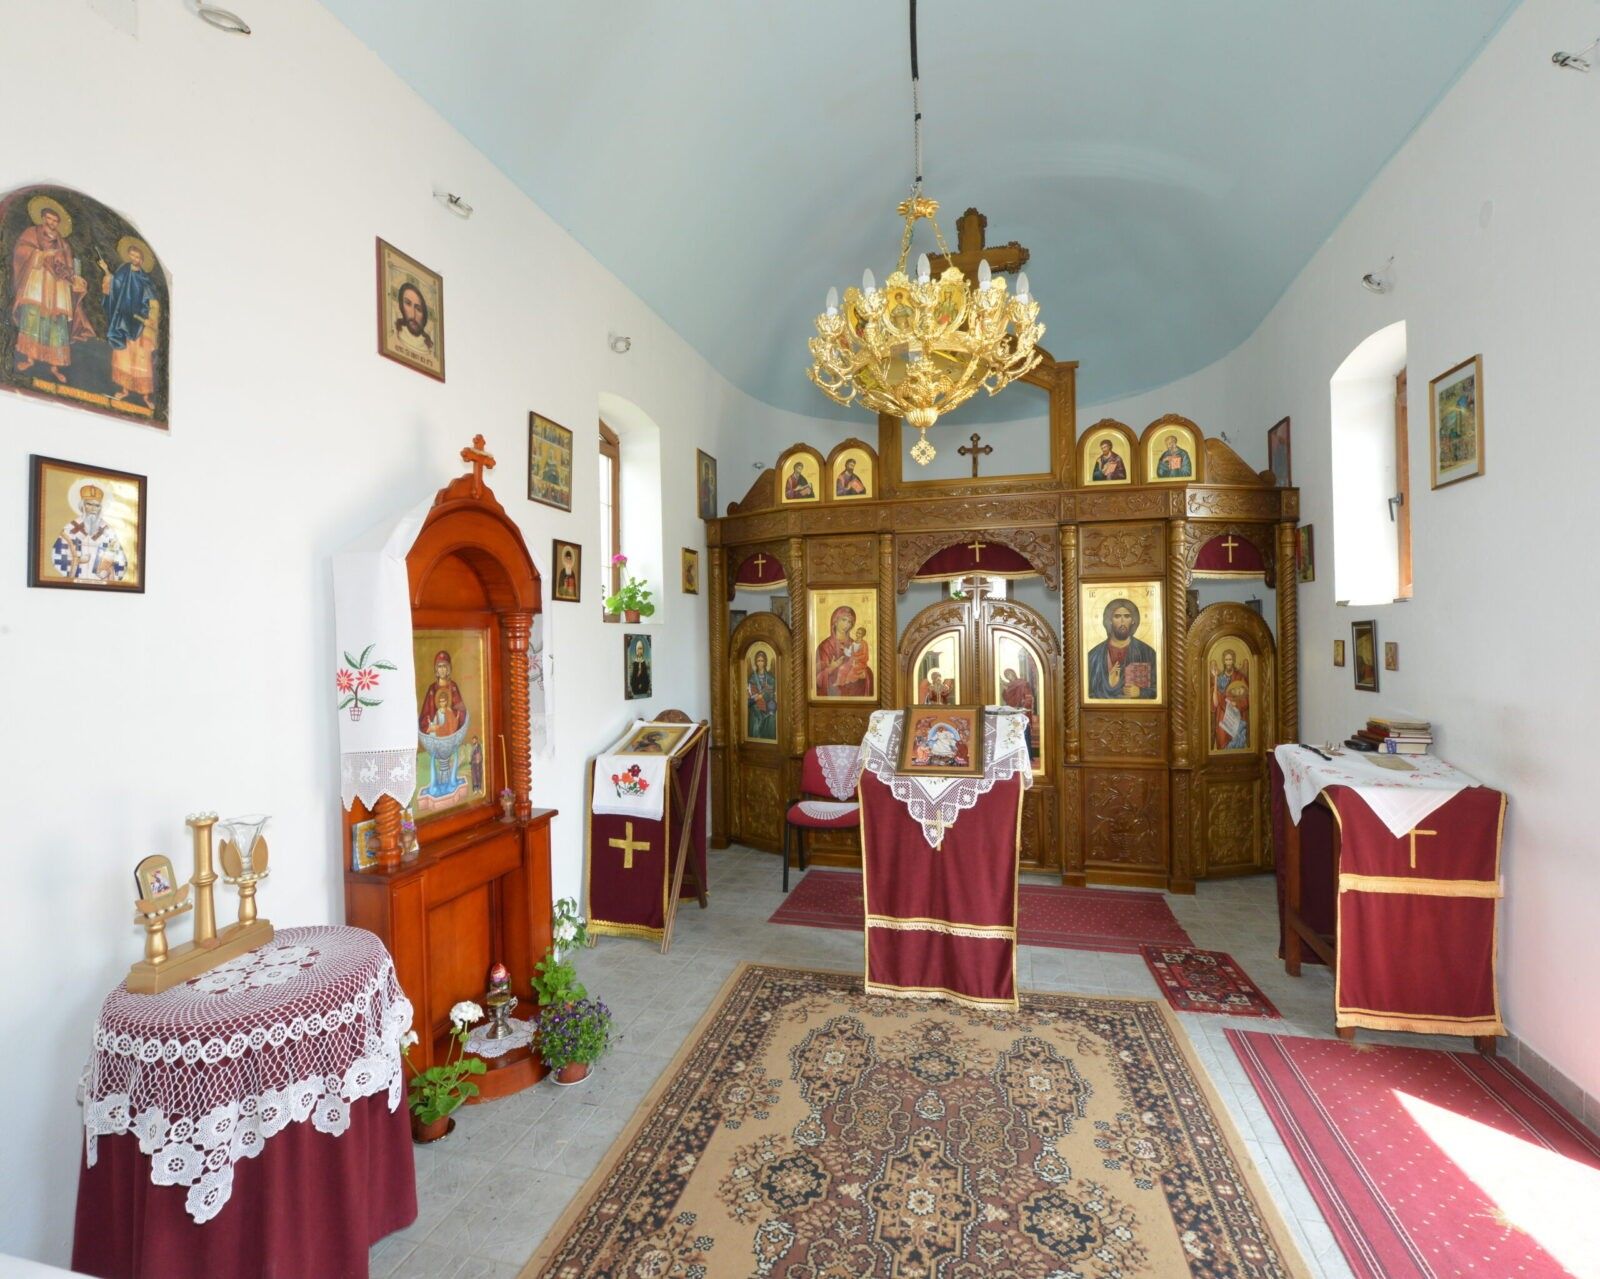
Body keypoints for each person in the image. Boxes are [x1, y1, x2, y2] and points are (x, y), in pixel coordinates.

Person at [11, 198, 92, 381]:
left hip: (58, 286)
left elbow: (68, 268)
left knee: (57, 323)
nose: (52, 223)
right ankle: (29, 358)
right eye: (49, 218)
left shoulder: (64, 244)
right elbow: (21, 251)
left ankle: (55, 366)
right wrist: (40, 255)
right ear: (42, 218)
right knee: (33, 316)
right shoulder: (32, 233)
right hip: (38, 281)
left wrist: (75, 278)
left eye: (55, 221)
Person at [99, 238, 160, 408]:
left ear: (142, 260)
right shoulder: (123, 271)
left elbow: (153, 302)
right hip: (124, 320)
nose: (134, 259)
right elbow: (115, 287)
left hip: (139, 323)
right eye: (132, 255)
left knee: (142, 358)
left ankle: (146, 395)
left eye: (137, 257)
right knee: (124, 356)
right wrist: (106, 272)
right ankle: (125, 389)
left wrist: (151, 318)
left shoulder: (144, 279)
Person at [50, 481, 129, 583]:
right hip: (77, 581)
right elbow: (57, 556)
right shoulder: (70, 529)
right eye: (89, 504)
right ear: (82, 505)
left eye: (97, 505)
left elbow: (120, 560)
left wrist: (107, 570)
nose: (93, 509)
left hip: (100, 582)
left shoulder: (107, 531)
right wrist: (77, 560)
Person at [1087, 598, 1158, 699]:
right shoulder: (1094, 656)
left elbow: (1159, 689)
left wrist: (1140, 692)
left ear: (1133, 620)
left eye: (1127, 616)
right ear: (1109, 620)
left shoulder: (1147, 652)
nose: (1122, 621)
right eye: (1117, 616)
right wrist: (1108, 685)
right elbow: (1087, 694)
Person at [814, 605, 873, 697]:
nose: (846, 625)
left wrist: (864, 673)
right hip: (833, 695)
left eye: (850, 622)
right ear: (835, 621)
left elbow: (863, 664)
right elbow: (816, 678)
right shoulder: (825, 646)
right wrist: (831, 668)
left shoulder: (855, 644)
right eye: (844, 620)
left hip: (855, 695)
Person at [1000, 665, 1041, 764]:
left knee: (1025, 733)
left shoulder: (1022, 683)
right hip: (1012, 713)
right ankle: (1014, 757)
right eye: (1007, 676)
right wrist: (1005, 690)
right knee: (1012, 734)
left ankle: (1028, 756)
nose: (1009, 677)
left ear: (1013, 673)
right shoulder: (1009, 686)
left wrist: (1023, 706)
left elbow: (1029, 697)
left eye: (1009, 674)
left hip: (1023, 713)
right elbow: (1007, 698)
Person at [419, 650, 467, 733]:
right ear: (436, 669)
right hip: (435, 728)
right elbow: (425, 714)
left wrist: (451, 716)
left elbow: (461, 710)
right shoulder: (432, 689)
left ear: (448, 669)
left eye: (444, 666)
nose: (442, 669)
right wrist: (432, 726)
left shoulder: (453, 687)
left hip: (451, 728)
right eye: (439, 666)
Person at [1210, 650, 1249, 749]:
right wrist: (1215, 679)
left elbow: (1246, 698)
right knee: (1222, 739)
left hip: (1236, 715)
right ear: (1224, 661)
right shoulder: (1219, 677)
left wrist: (1236, 704)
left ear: (1233, 661)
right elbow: (1215, 702)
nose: (1228, 662)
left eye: (1230, 660)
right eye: (1226, 660)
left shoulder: (1240, 677)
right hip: (1222, 716)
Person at [392, 281, 436, 363]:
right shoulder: (396, 332)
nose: (413, 315)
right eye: (408, 303)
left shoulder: (428, 345)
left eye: (418, 309)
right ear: (401, 306)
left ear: (424, 315)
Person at [746, 650, 777, 739]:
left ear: (765, 662)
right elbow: (750, 694)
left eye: (762, 661)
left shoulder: (770, 677)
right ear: (756, 662)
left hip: (767, 704)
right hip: (755, 706)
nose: (760, 663)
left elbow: (771, 692)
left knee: (771, 717)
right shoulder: (752, 677)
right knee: (755, 718)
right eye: (758, 660)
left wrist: (764, 695)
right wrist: (757, 697)